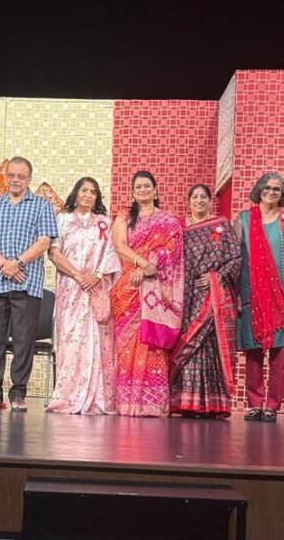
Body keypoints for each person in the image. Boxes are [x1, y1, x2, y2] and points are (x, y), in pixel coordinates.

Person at [0, 156, 59, 412]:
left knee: (24, 341)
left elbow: (44, 241)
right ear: (5, 176)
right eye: (11, 175)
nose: (15, 180)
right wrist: (4, 264)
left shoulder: (42, 206)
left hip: (28, 282)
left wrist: (18, 263)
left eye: (21, 176)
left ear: (29, 179)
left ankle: (18, 393)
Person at [111, 171, 184, 417]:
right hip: (128, 287)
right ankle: (126, 402)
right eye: (138, 187)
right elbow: (119, 246)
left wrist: (148, 268)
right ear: (132, 193)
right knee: (126, 347)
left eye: (146, 186)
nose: (142, 190)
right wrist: (142, 263)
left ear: (155, 189)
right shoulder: (124, 216)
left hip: (154, 288)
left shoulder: (168, 220)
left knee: (151, 344)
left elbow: (172, 251)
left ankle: (152, 403)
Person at [234, 172, 284, 422]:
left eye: (277, 189)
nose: (271, 192)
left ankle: (272, 406)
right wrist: (233, 293)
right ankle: (254, 404)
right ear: (259, 190)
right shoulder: (244, 219)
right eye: (267, 187)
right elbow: (234, 257)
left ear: (282, 193)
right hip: (251, 293)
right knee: (253, 354)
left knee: (279, 355)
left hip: (283, 296)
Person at [46, 177, 120, 415]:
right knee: (70, 339)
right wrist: (78, 275)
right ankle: (67, 397)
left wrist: (96, 276)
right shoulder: (62, 219)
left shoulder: (105, 222)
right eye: (84, 190)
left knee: (99, 342)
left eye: (93, 192)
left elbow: (111, 253)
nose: (88, 195)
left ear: (97, 197)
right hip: (70, 288)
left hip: (96, 289)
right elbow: (54, 253)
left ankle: (98, 399)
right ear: (76, 194)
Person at [169, 184, 241, 418]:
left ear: (210, 201)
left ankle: (212, 404)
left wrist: (215, 277)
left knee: (209, 344)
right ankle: (184, 402)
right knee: (186, 341)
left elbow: (235, 258)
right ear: (188, 201)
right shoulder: (179, 227)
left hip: (213, 296)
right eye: (195, 197)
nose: (199, 200)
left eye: (203, 197)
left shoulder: (222, 225)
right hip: (185, 294)